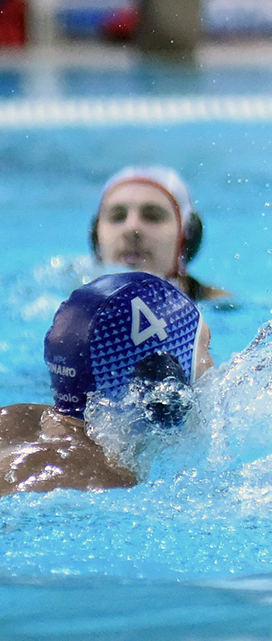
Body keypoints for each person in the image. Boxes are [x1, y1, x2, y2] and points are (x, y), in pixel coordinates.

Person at [0, 271, 213, 496]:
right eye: (206, 349)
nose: (212, 366)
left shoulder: (12, 419)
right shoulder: (98, 481)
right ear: (163, 377)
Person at [92, 165, 229, 301]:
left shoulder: (219, 304)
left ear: (186, 237)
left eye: (152, 217)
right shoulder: (79, 292)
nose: (132, 229)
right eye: (117, 217)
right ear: (96, 236)